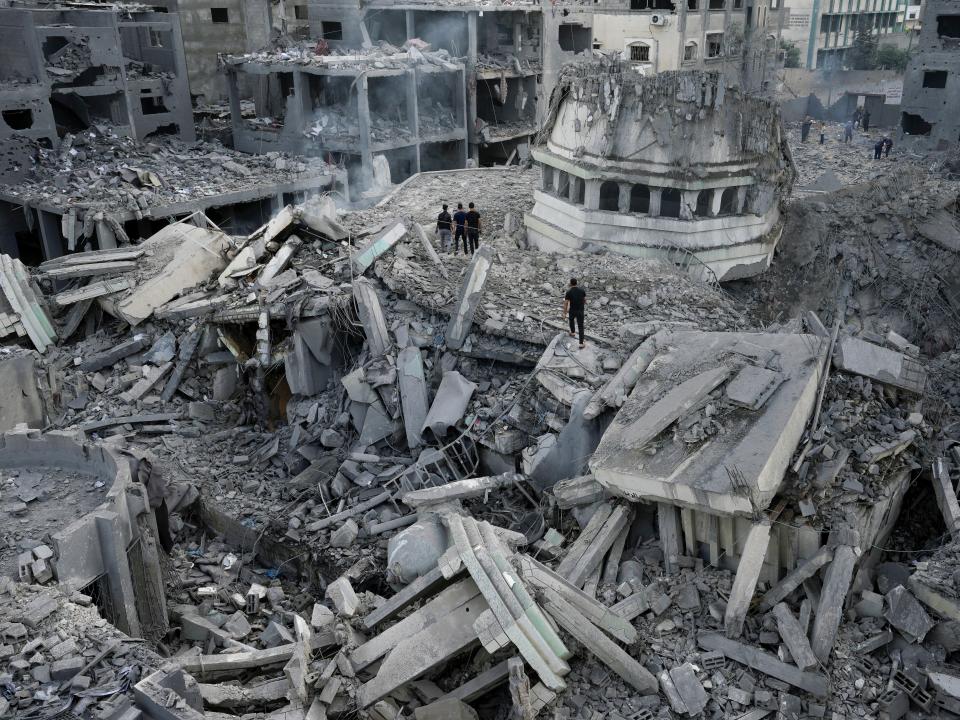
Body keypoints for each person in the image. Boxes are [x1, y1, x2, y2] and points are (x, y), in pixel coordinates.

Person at [123, 448, 174, 554]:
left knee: (159, 514)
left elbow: (156, 503)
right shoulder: (142, 468)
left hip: (146, 473)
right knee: (158, 515)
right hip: (143, 474)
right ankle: (167, 548)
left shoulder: (148, 469)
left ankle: (167, 548)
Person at [563, 278, 587, 349]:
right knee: (580, 326)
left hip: (572, 310)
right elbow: (585, 300)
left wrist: (564, 312)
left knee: (571, 320)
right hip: (580, 311)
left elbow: (566, 303)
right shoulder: (582, 290)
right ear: (576, 283)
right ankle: (581, 343)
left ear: (570, 284)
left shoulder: (569, 292)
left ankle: (573, 332)